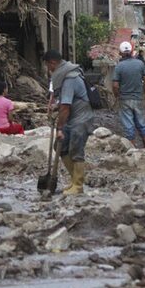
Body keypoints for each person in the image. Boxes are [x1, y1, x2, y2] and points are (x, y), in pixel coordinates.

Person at [44, 49, 95, 195]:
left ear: (52, 63)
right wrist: (56, 106)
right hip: (74, 117)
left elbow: (66, 106)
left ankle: (78, 186)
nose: (49, 70)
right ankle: (74, 180)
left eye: (48, 66)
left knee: (76, 150)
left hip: (81, 118)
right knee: (60, 146)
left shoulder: (69, 78)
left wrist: (60, 128)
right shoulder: (66, 74)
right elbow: (66, 102)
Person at [113, 41, 145, 148]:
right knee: (142, 121)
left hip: (125, 99)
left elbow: (115, 85)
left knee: (128, 124)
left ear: (120, 53)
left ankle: (132, 148)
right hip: (138, 97)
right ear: (132, 51)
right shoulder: (140, 63)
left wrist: (117, 96)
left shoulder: (119, 66)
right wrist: (142, 92)